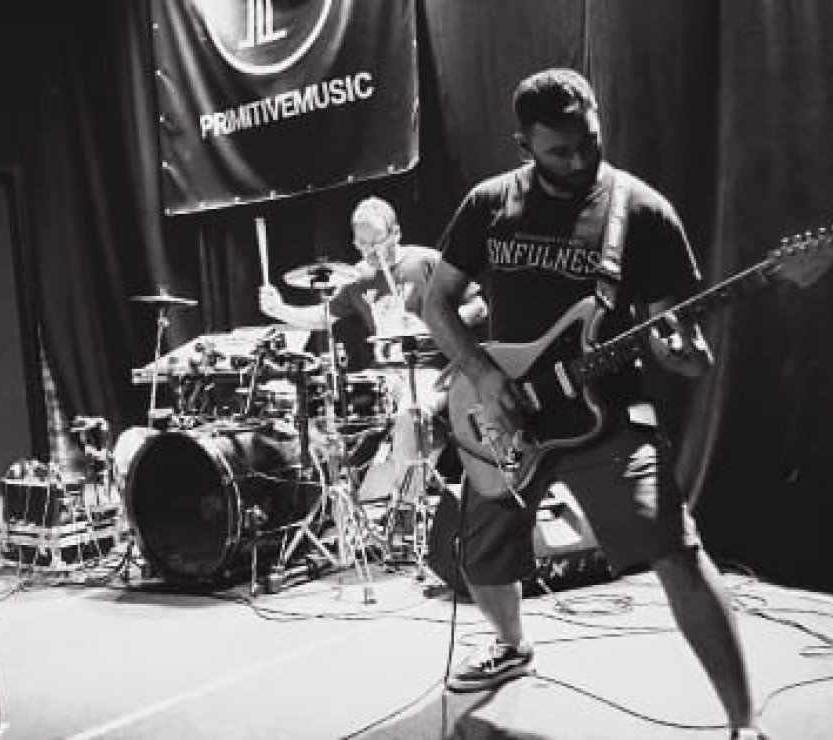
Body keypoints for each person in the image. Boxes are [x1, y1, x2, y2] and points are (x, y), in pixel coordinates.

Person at [418, 69, 765, 739]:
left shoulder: (643, 211)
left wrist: (682, 352)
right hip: (507, 411)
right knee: (478, 556)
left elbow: (683, 343)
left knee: (676, 550)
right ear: (524, 145)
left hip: (607, 415)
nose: (579, 161)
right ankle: (512, 646)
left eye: (589, 143)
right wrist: (482, 377)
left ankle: (742, 723)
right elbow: (437, 304)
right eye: (559, 151)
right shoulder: (488, 203)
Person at [257, 197, 486, 502]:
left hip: (433, 370)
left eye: (377, 242)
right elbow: (323, 317)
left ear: (396, 233)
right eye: (362, 244)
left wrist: (431, 326)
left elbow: (479, 307)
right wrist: (279, 310)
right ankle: (345, 504)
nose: (370, 252)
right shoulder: (358, 276)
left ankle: (408, 506)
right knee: (325, 408)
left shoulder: (426, 262)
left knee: (411, 412)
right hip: (385, 375)